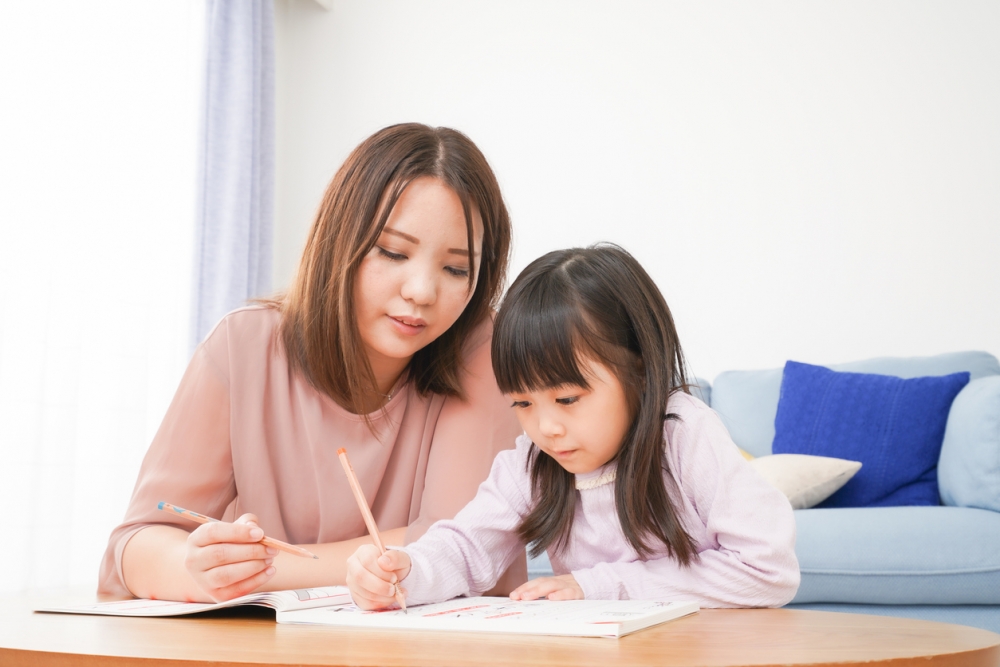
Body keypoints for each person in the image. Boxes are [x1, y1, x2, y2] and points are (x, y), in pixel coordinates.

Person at [98, 123, 526, 602]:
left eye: (456, 268)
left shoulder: (483, 352)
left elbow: (452, 550)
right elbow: (137, 544)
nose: (423, 291)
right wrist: (195, 566)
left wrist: (260, 569)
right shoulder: (244, 347)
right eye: (392, 251)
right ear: (339, 239)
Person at [347, 244, 800, 609]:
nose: (546, 428)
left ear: (638, 371)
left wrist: (601, 586)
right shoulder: (532, 462)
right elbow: (467, 548)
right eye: (522, 402)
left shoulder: (683, 434)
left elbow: (769, 571)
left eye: (568, 399)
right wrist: (407, 570)